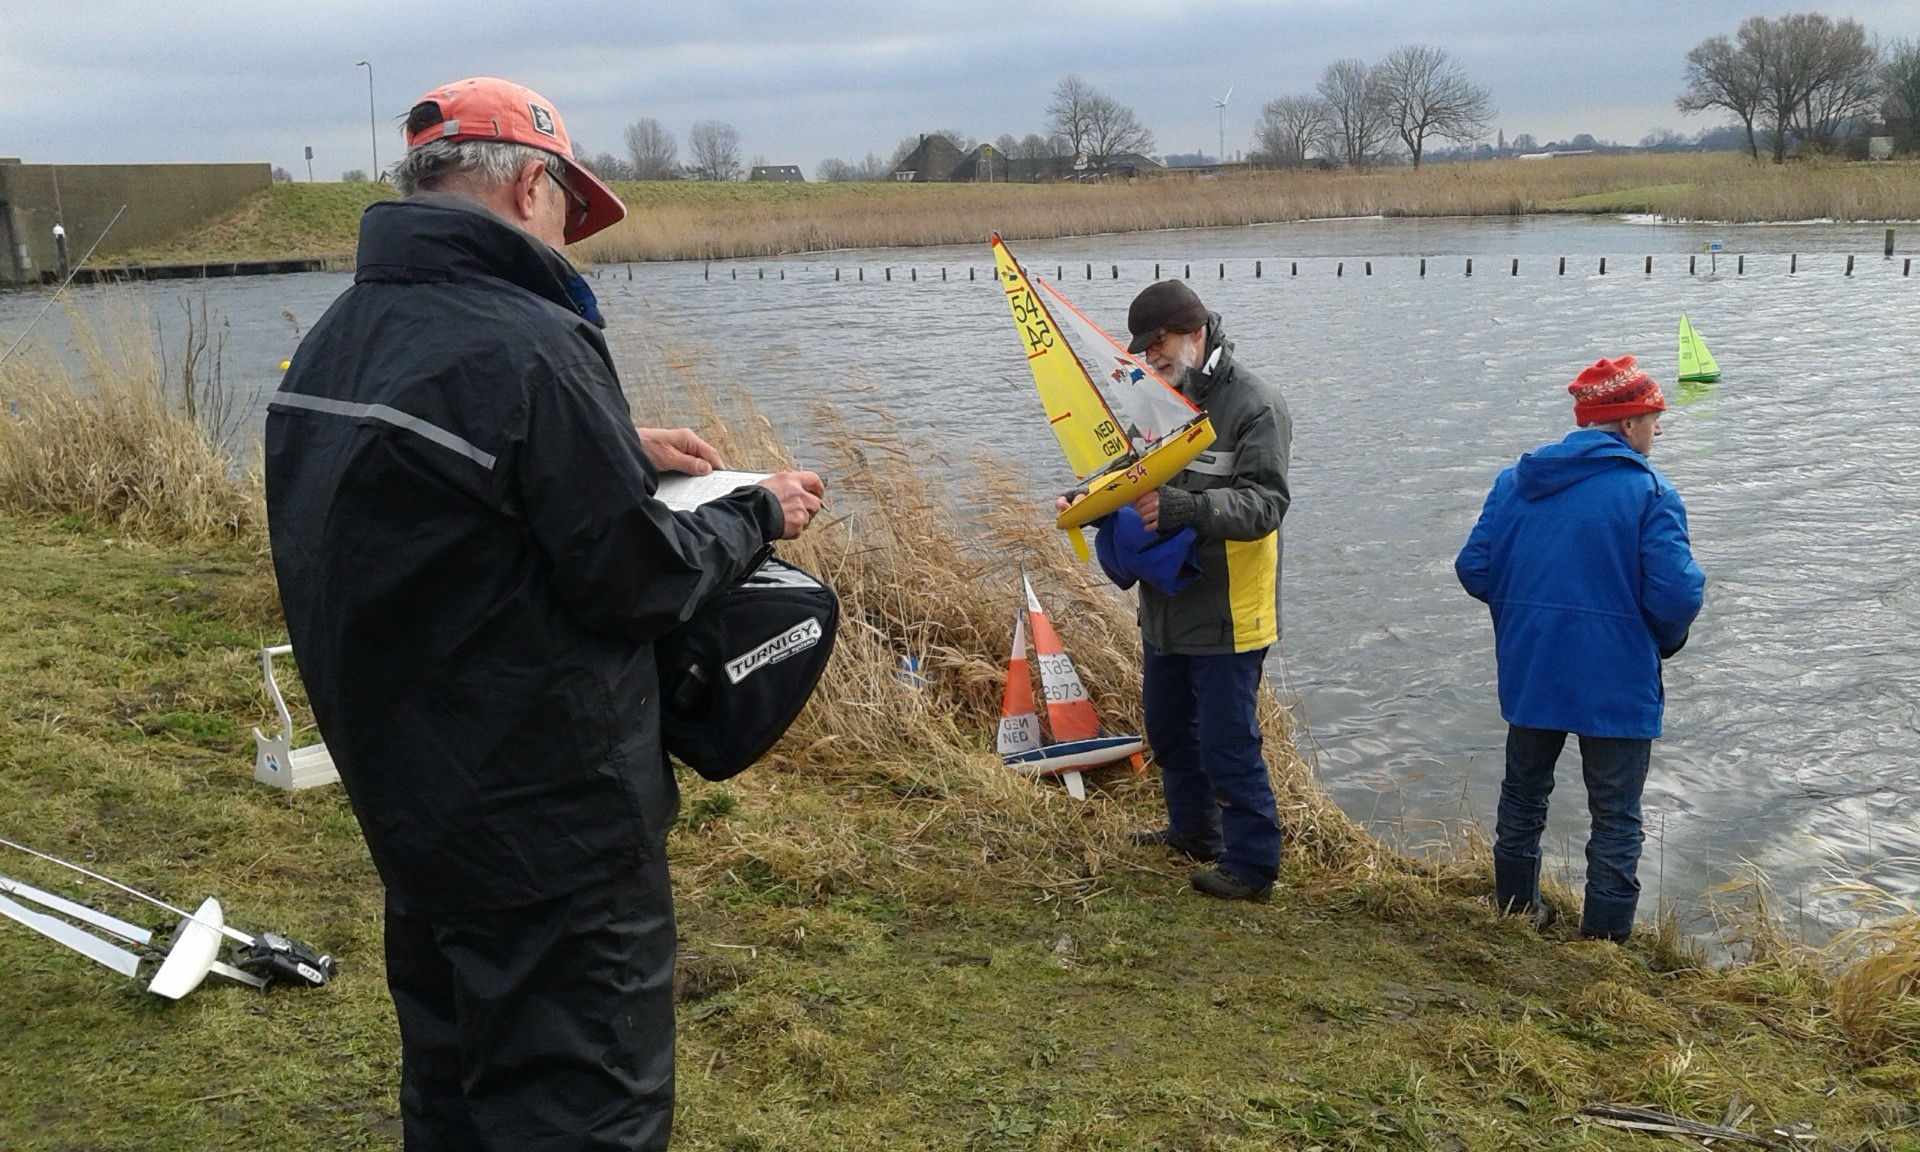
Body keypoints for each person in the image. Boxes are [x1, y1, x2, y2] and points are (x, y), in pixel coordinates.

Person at [264, 76, 824, 1150]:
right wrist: (757, 511)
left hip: (417, 805)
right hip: (551, 826)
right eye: (571, 211)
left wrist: (609, 447)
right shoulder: (529, 340)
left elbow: (434, 504)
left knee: (456, 1086)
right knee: (584, 1105)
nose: (572, 242)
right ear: (530, 186)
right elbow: (639, 578)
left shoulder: (343, 335)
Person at [1455, 356, 1704, 942]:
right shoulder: (1650, 493)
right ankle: (1605, 941)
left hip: (1534, 665)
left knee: (1523, 795)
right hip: (1617, 676)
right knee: (1616, 817)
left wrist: (1525, 617)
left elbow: (1474, 568)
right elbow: (1677, 593)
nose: (1659, 430)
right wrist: (1665, 641)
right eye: (1652, 416)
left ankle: (1517, 911)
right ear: (1625, 424)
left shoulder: (1515, 482)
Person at [1088, 280, 1292, 903]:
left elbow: (1267, 504)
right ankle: (1193, 831)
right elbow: (1133, 471)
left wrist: (1185, 508)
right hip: (1166, 601)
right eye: (1145, 350)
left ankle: (1253, 865)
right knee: (1170, 728)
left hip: (1231, 608)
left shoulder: (1256, 405)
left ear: (1196, 332)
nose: (1151, 359)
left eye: (1161, 345)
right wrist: (1092, 497)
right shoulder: (1157, 396)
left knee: (1228, 741)